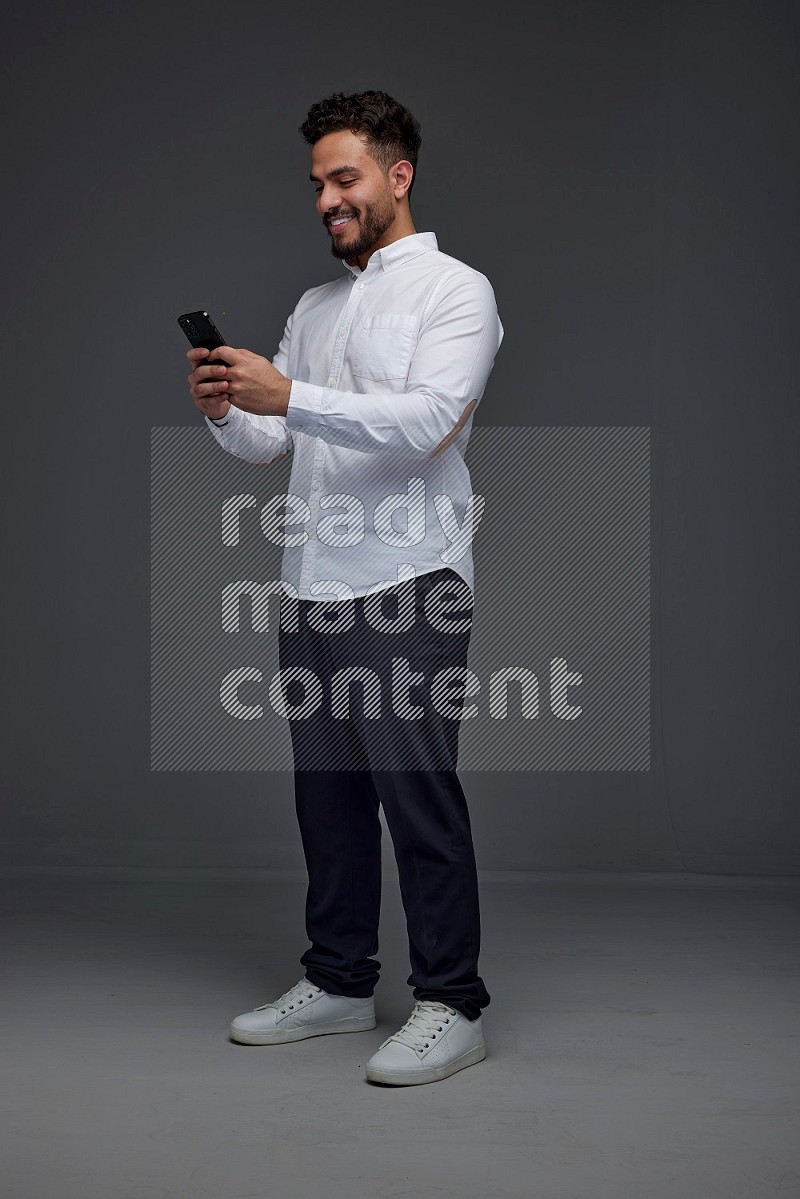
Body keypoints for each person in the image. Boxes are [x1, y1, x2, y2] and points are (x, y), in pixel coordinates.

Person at [186, 90, 503, 1086]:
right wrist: (226, 407)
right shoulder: (315, 308)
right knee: (327, 798)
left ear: (395, 176)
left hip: (410, 582)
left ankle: (452, 1000)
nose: (326, 198)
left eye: (344, 178)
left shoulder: (456, 291)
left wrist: (294, 395)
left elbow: (425, 424)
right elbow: (271, 441)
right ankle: (337, 981)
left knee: (416, 796)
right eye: (317, 183)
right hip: (312, 583)